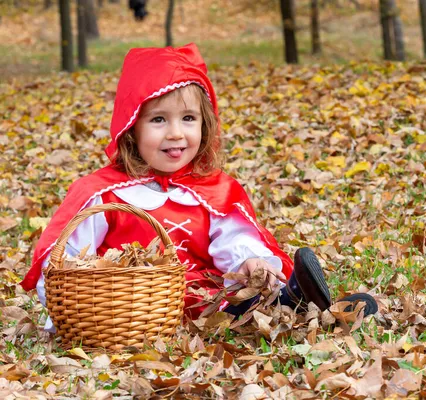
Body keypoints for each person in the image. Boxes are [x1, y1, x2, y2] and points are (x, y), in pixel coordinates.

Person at [20, 44, 377, 331]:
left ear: (204, 125)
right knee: (221, 317)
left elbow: (231, 239)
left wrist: (250, 262)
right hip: (131, 306)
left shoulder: (211, 190)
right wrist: (71, 312)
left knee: (240, 303)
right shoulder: (104, 193)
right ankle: (292, 304)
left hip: (209, 300)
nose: (176, 133)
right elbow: (64, 259)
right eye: (159, 120)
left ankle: (300, 302)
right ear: (132, 127)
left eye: (188, 119)